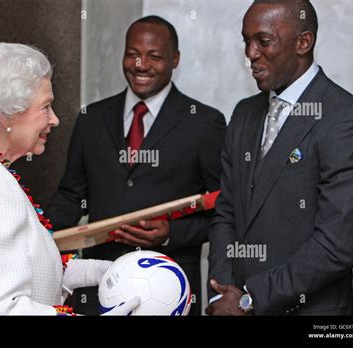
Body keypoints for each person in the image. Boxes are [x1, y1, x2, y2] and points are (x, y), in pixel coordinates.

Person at [0, 42, 139, 315]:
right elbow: (3, 309)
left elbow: (17, 266)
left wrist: (99, 271)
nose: (55, 119)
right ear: (5, 114)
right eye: (45, 107)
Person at [47, 16, 226, 315]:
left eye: (154, 56)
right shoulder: (91, 118)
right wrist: (37, 233)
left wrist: (171, 233)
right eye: (133, 54)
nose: (141, 64)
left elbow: (225, 210)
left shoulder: (205, 123)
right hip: (99, 285)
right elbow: (71, 195)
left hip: (170, 288)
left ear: (175, 59)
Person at [206, 0, 353, 316]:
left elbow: (336, 246)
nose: (251, 53)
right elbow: (226, 211)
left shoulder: (349, 121)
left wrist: (250, 300)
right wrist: (220, 293)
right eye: (246, 41)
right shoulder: (244, 114)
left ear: (303, 42)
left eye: (263, 41)